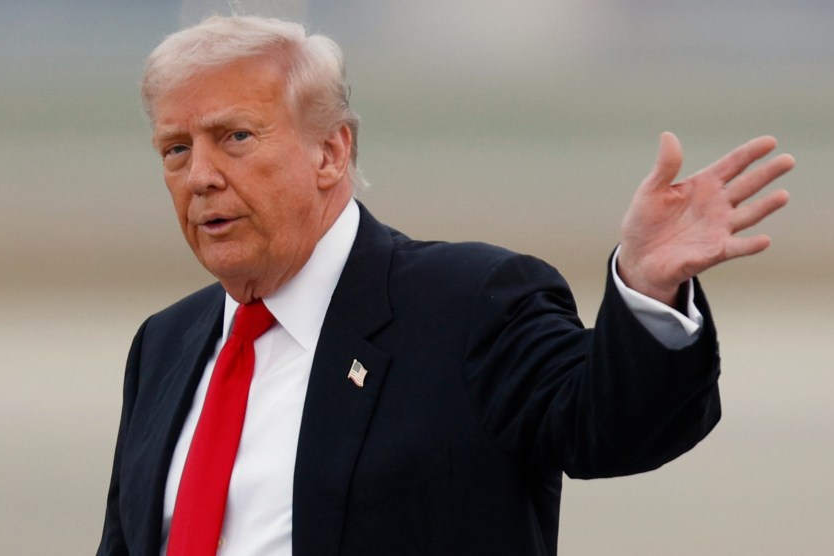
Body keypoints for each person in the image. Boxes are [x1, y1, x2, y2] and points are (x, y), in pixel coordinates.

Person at [96, 15, 793, 556]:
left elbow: (608, 428)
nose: (200, 177)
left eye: (235, 138)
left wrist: (645, 290)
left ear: (331, 152)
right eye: (176, 149)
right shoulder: (167, 343)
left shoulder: (466, 303)